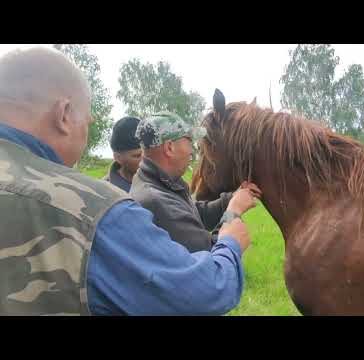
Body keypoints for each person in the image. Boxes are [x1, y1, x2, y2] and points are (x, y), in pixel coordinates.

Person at [0, 46, 252, 316]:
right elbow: (204, 291)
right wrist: (230, 234)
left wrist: (229, 199)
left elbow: (192, 211)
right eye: (87, 119)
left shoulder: (163, 186)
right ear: (64, 115)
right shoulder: (96, 209)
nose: (193, 151)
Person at [130, 112, 262, 252]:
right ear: (169, 148)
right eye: (189, 141)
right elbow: (211, 255)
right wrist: (233, 212)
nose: (192, 152)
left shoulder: (160, 183)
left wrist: (232, 198)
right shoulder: (156, 202)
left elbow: (192, 214)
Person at [104, 116, 142, 192]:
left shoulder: (163, 181)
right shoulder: (105, 192)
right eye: (138, 156)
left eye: (148, 153)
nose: (146, 160)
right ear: (118, 158)